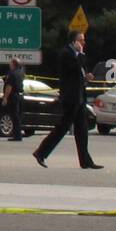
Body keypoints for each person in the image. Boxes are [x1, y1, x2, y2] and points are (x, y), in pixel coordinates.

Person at [34, 32, 102, 170]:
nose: (83, 43)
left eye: (83, 40)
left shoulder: (76, 56)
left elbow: (79, 72)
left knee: (82, 130)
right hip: (71, 98)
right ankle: (41, 152)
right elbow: (73, 68)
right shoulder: (66, 54)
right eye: (81, 40)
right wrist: (80, 54)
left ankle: (86, 161)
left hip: (80, 98)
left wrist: (86, 76)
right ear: (73, 42)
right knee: (63, 127)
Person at [3, 57, 26, 141]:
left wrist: (5, 98)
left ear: (13, 64)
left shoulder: (12, 73)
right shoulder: (21, 72)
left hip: (14, 96)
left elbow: (9, 86)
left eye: (10, 63)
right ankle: (18, 135)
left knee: (14, 116)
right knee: (18, 116)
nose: (9, 64)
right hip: (20, 95)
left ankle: (17, 136)